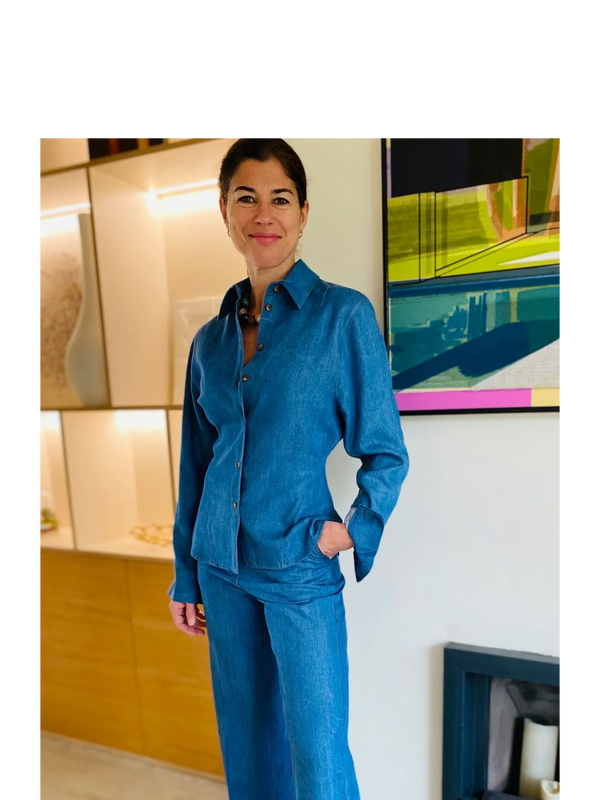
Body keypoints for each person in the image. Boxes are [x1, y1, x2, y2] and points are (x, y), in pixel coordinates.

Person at [169, 135, 409, 800]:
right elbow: (195, 464)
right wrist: (184, 572)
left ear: (303, 212)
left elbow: (385, 449)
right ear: (226, 212)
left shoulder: (342, 319)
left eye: (279, 198)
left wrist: (354, 530)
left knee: (318, 752)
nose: (263, 213)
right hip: (220, 569)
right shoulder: (209, 340)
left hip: (300, 566)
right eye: (246, 197)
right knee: (247, 749)